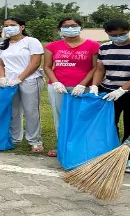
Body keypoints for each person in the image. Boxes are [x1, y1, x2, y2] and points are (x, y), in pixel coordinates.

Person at [90, 18, 130, 173]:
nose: (118, 37)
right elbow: (100, 70)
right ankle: (111, 154)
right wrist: (94, 86)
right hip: (108, 92)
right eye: (114, 35)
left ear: (128, 30)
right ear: (107, 33)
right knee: (109, 124)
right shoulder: (104, 48)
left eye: (122, 34)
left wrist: (122, 89)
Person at [43, 17, 100, 157]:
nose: (70, 28)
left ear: (80, 27)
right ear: (59, 29)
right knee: (60, 117)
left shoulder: (93, 45)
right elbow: (47, 67)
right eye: (66, 26)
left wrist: (82, 84)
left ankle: (80, 147)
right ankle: (62, 146)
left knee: (81, 116)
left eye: (73, 25)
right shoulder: (52, 46)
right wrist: (55, 82)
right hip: (58, 87)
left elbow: (96, 68)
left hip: (83, 87)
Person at [0, 17, 45, 153]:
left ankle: (34, 141)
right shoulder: (2, 45)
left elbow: (35, 63)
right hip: (9, 82)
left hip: (30, 80)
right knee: (13, 111)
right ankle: (15, 138)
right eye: (6, 25)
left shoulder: (31, 42)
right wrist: (2, 78)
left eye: (12, 25)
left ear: (22, 27)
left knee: (31, 111)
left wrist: (20, 78)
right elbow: (0, 64)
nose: (8, 28)